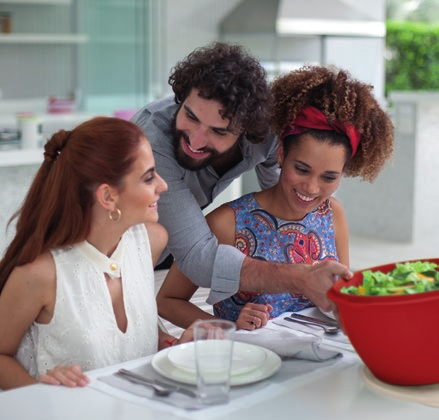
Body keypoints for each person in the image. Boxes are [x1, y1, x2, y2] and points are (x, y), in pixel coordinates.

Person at [156, 65, 394, 330]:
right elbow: (167, 300)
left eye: (329, 177)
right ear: (280, 154)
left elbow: (341, 298)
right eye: (301, 169)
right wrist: (227, 325)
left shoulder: (333, 214)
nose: (312, 188)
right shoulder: (227, 223)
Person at [132, 41, 352, 310]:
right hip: (117, 251)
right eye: (190, 115)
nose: (196, 140)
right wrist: (299, 278)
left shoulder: (266, 131)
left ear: (247, 130)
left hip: (165, 251)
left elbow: (280, 191)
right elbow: (198, 258)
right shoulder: (151, 144)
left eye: (219, 131)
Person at [0, 117, 195, 391]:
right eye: (149, 177)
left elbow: (129, 335)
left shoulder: (152, 240)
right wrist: (41, 394)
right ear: (107, 197)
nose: (162, 185)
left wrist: (172, 344)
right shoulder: (39, 274)